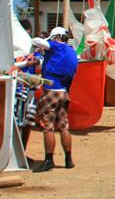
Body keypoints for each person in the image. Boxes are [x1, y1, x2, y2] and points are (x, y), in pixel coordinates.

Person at [31, 26, 79, 172]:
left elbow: (36, 40)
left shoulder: (55, 46)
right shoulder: (71, 50)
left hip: (52, 90)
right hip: (64, 92)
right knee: (64, 127)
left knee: (48, 127)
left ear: (56, 37)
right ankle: (68, 159)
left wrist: (48, 40)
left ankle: (49, 160)